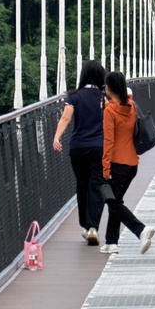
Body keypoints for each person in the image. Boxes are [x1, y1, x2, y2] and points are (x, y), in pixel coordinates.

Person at [99, 71, 155, 255]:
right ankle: (111, 241)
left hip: (117, 163)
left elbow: (108, 142)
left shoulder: (110, 111)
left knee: (114, 203)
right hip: (132, 163)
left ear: (109, 88)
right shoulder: (131, 106)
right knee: (116, 202)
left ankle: (140, 230)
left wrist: (105, 167)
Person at [52, 59, 106, 245]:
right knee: (96, 185)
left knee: (82, 185)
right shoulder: (103, 97)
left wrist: (57, 137)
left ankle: (85, 225)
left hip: (78, 148)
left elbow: (66, 118)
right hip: (99, 147)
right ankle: (93, 227)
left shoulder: (73, 96)